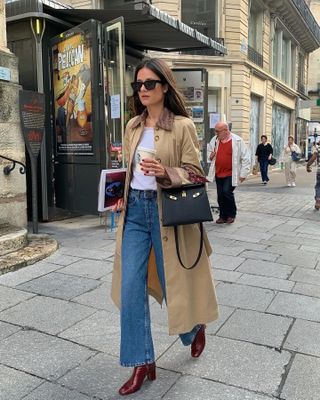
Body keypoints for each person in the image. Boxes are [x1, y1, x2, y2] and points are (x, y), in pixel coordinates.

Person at [111, 58, 219, 396]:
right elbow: (127, 173)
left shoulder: (183, 126)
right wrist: (118, 194)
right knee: (130, 289)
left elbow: (197, 173)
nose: (142, 90)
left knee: (175, 287)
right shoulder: (131, 127)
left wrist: (166, 172)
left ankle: (194, 328)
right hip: (134, 216)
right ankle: (142, 362)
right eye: (138, 85)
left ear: (165, 87)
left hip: (166, 214)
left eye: (149, 84)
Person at [208, 122, 251, 224]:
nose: (216, 133)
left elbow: (246, 158)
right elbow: (209, 155)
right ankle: (222, 216)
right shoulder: (214, 140)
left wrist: (243, 174)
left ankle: (231, 214)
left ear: (226, 130)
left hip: (231, 173)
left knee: (227, 192)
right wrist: (210, 156)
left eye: (218, 131)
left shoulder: (238, 141)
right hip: (218, 173)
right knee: (220, 195)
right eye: (215, 131)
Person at [306, 142, 320, 210]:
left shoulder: (318, 149)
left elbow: (313, 158)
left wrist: (308, 165)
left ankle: (317, 200)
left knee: (318, 186)